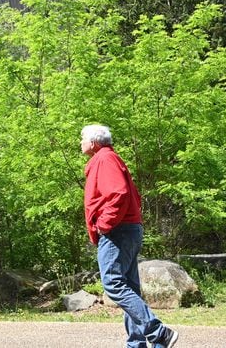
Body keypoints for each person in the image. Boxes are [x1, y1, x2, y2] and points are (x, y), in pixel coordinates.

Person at [81, 124, 180, 348]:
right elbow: (133, 195)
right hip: (127, 229)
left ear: (94, 142)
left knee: (113, 283)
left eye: (82, 138)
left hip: (118, 231)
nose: (80, 142)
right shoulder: (110, 159)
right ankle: (137, 343)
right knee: (129, 287)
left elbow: (119, 193)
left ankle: (158, 331)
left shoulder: (105, 160)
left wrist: (104, 224)